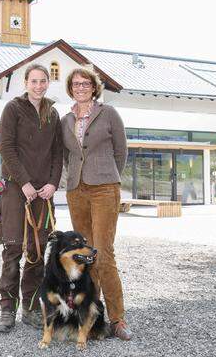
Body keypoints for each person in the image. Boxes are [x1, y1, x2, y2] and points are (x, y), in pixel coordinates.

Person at [60, 67, 132, 341]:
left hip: (104, 189)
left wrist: (109, 177)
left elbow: (121, 151)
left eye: (85, 83)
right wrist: (70, 180)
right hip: (77, 191)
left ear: (94, 87)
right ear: (71, 88)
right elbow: (67, 155)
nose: (80, 87)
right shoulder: (65, 119)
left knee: (103, 253)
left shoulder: (109, 113)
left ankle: (118, 319)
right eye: (76, 83)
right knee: (86, 257)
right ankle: (90, 319)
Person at [0, 63, 63, 333]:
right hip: (15, 190)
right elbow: (6, 148)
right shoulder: (13, 109)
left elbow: (58, 154)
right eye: (34, 81)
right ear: (25, 83)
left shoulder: (53, 113)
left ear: (48, 83)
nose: (38, 85)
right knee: (12, 251)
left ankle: (31, 309)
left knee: (36, 253)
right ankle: (7, 309)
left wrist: (53, 184)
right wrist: (23, 182)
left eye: (43, 81)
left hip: (42, 194)